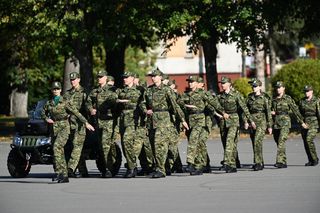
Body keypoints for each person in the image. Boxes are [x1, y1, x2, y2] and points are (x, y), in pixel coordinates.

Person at [42, 82, 94, 183]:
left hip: (64, 128)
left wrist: (86, 123)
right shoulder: (49, 103)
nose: (56, 90)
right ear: (52, 90)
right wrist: (46, 119)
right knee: (58, 151)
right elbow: (43, 113)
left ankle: (61, 173)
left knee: (57, 147)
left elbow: (76, 112)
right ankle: (62, 175)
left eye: (57, 89)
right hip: (54, 129)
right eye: (54, 89)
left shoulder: (65, 101)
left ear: (60, 90)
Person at [145, 68, 189, 178]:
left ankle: (161, 170)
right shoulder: (149, 90)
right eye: (152, 76)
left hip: (164, 121)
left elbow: (175, 106)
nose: (153, 78)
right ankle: (165, 167)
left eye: (155, 76)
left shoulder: (166, 90)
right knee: (154, 146)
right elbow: (142, 103)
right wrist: (146, 110)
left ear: (160, 77)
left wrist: (182, 120)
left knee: (159, 144)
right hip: (152, 121)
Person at [179, 75, 226, 175]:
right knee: (199, 144)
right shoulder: (186, 94)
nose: (190, 83)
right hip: (190, 120)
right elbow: (178, 103)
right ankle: (201, 165)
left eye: (192, 82)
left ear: (197, 83)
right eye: (189, 82)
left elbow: (213, 103)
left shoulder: (202, 93)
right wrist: (188, 106)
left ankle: (190, 163)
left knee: (193, 139)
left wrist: (222, 112)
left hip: (200, 119)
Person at [218, 76, 255, 173]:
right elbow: (215, 107)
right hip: (223, 121)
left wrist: (250, 120)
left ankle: (226, 162)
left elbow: (244, 108)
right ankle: (232, 165)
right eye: (221, 83)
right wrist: (220, 114)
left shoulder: (236, 95)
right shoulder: (220, 96)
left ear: (229, 84)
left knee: (230, 140)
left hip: (234, 120)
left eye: (224, 83)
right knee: (227, 142)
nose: (222, 85)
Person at [86, 70, 118, 177]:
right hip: (97, 122)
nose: (99, 78)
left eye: (101, 77)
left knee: (106, 145)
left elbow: (115, 103)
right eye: (98, 77)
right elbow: (88, 102)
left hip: (108, 121)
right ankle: (108, 167)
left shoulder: (111, 90)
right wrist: (91, 109)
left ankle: (109, 169)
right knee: (101, 146)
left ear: (106, 78)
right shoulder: (94, 91)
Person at [116, 71, 147, 178]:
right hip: (123, 119)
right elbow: (113, 100)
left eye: (127, 77)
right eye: (124, 77)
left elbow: (145, 103)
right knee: (125, 145)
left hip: (135, 119)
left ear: (133, 78)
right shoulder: (121, 90)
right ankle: (132, 167)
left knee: (127, 140)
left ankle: (131, 167)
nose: (125, 79)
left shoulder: (140, 90)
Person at [271, 81, 306, 168]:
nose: (278, 89)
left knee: (281, 141)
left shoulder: (287, 98)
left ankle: (280, 162)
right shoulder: (273, 99)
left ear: (283, 88)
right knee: (278, 142)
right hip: (276, 123)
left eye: (280, 87)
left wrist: (302, 122)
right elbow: (270, 111)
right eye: (277, 87)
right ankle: (283, 160)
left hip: (285, 123)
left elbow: (295, 110)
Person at [63, 72, 89, 177]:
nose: (72, 81)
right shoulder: (67, 94)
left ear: (79, 79)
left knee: (77, 147)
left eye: (74, 79)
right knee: (76, 147)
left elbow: (88, 107)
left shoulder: (84, 93)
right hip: (69, 124)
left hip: (80, 124)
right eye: (71, 80)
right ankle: (83, 171)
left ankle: (70, 168)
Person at [244, 78, 272, 171]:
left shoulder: (265, 98)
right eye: (253, 86)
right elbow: (245, 110)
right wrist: (246, 121)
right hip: (252, 122)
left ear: (260, 87)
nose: (253, 88)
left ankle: (257, 163)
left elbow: (268, 112)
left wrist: (270, 126)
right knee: (255, 143)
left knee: (257, 141)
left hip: (261, 122)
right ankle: (261, 161)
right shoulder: (249, 97)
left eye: (255, 86)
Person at [298, 85, 319, 166]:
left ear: (312, 91)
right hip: (304, 124)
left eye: (308, 91)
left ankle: (315, 158)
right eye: (305, 91)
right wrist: (301, 123)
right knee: (306, 143)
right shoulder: (302, 101)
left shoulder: (317, 100)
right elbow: (299, 113)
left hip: (314, 123)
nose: (306, 93)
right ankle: (310, 160)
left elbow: (319, 113)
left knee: (309, 139)